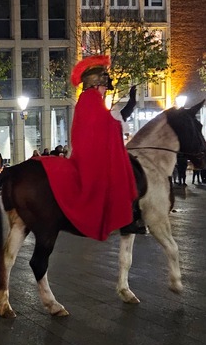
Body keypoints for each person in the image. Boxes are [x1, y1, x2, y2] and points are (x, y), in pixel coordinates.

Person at [37, 55, 143, 239]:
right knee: (121, 174)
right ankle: (127, 219)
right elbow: (106, 124)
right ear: (96, 84)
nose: (104, 90)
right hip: (90, 157)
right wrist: (119, 124)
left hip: (85, 152)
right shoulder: (92, 99)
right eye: (104, 86)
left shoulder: (86, 99)